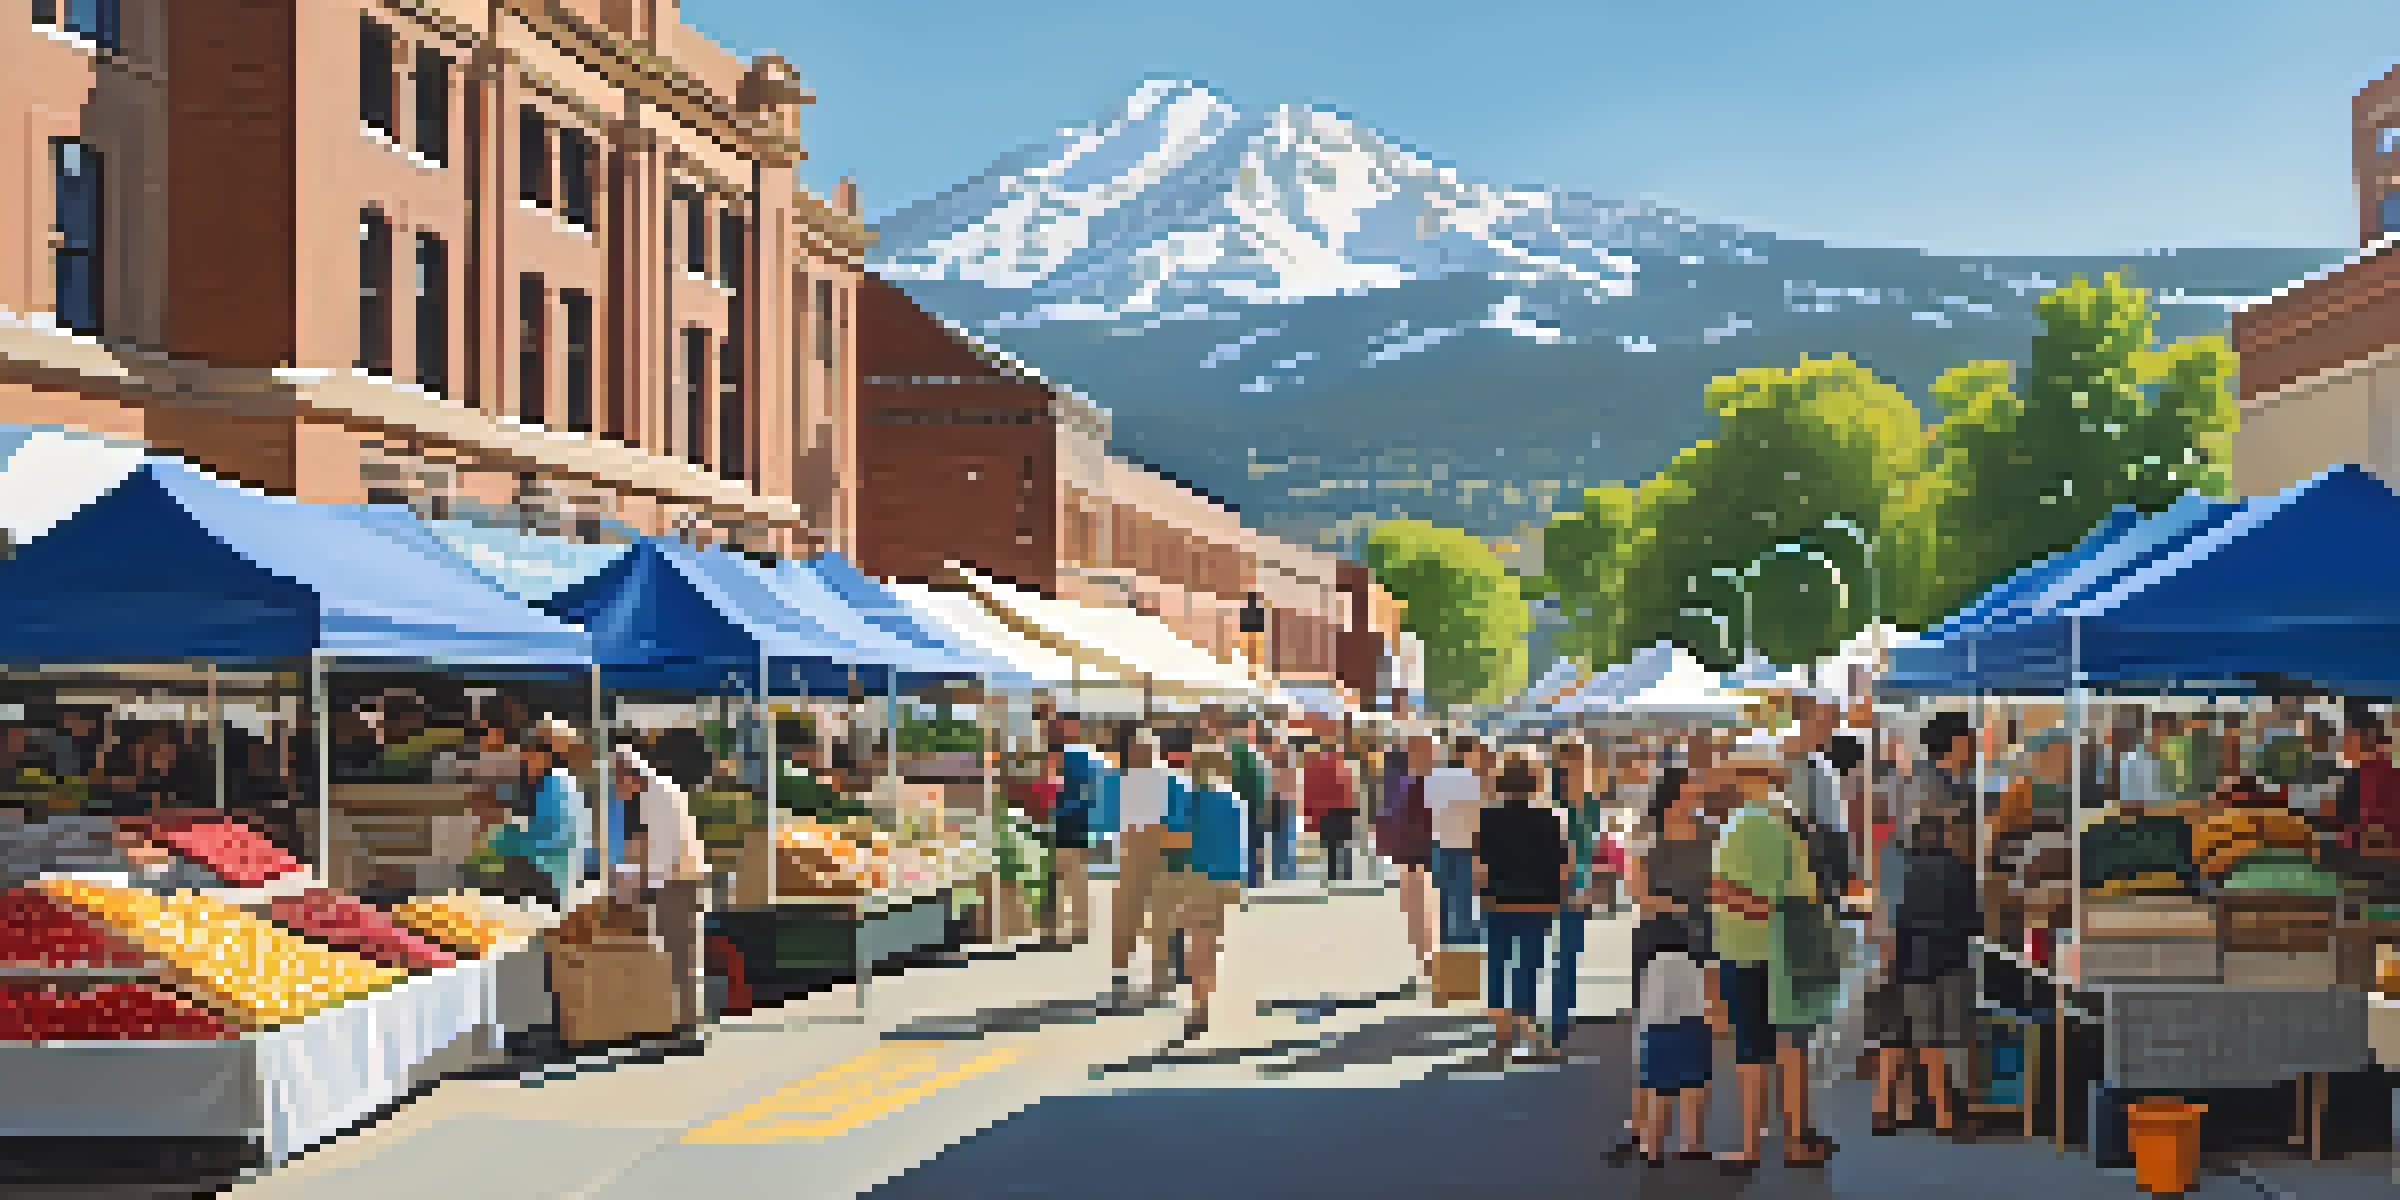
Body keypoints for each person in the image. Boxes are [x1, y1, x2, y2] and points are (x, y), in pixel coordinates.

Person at [1711, 756, 1835, 1171]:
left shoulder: (1746, 823)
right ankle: (1797, 1138)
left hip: (1750, 949)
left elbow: (1739, 896)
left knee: (1751, 1051)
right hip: (1792, 947)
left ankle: (1750, 1144)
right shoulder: (1789, 821)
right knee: (1792, 1046)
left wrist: (1719, 894)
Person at [1870, 709, 1978, 1137]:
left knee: (1907, 1009)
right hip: (1928, 908)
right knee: (1926, 1009)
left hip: (1916, 907)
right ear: (1953, 743)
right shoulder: (1933, 785)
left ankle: (1892, 1106)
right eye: (1969, 737)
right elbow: (1951, 841)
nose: (1974, 744)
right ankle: (1942, 1110)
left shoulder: (1918, 781)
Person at [1882, 811, 1979, 1139]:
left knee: (1919, 1038)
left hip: (1910, 963)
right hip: (1951, 961)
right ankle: (1953, 1110)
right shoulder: (1961, 871)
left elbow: (1896, 919)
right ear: (1943, 837)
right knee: (1950, 1039)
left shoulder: (1901, 872)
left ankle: (1920, 1112)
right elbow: (1974, 921)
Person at [1475, 758, 1568, 1061]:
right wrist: (1557, 901)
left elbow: (1480, 866)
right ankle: (1525, 1026)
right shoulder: (1549, 820)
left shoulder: (1487, 819)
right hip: (1535, 902)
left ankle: (1501, 1029)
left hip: (1498, 900)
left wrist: (1482, 893)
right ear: (1533, 786)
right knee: (1527, 966)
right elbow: (1558, 867)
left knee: (1497, 964)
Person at [614, 744, 710, 1031]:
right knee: (677, 953)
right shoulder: (652, 791)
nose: (618, 790)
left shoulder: (656, 796)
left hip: (677, 882)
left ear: (628, 774)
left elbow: (664, 853)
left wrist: (640, 887)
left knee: (680, 953)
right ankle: (681, 1021)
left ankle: (688, 1025)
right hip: (675, 880)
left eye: (618, 782)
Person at [1159, 745, 1247, 1040]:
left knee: (1196, 943)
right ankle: (1203, 1001)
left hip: (1196, 876)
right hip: (1226, 879)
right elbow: (1242, 846)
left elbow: (1173, 838)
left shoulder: (1187, 799)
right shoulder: (1235, 800)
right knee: (1210, 943)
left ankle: (1199, 1007)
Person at [1628, 917, 1725, 1167]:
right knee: (1693, 1081)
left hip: (1658, 1017)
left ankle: (1653, 1147)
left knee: (1660, 1084)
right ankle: (1690, 1145)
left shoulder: (1650, 953)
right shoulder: (1698, 945)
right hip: (1691, 1015)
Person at [1112, 730, 1178, 1004]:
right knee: (1129, 912)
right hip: (1136, 846)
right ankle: (1122, 971)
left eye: (1147, 748)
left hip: (1157, 846)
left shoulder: (1166, 778)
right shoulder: (1125, 780)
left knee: (1160, 915)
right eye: (1139, 748)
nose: (1142, 753)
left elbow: (1173, 816)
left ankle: (1160, 976)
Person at [1551, 738, 1602, 1048]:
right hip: (1551, 886)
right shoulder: (1554, 805)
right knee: (1550, 953)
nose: (1577, 770)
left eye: (1582, 764)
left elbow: (1592, 848)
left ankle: (1561, 1017)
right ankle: (1544, 1017)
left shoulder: (1591, 805)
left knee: (1569, 952)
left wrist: (1592, 882)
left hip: (1578, 886)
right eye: (1571, 764)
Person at [1378, 733, 1438, 983]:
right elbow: (1389, 815)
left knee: (1428, 902)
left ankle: (1430, 955)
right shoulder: (1402, 783)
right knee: (1417, 902)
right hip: (1412, 850)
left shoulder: (1420, 782)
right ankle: (1425, 955)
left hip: (1431, 849)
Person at [1425, 737, 1487, 955]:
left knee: (1443, 890)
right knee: (1463, 891)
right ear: (1467, 753)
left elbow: (1427, 810)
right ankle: (1464, 932)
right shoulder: (1471, 780)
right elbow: (1475, 816)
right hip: (1463, 842)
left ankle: (1443, 933)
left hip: (1438, 841)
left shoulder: (1433, 777)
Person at [1305, 737, 1358, 883]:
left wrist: (1309, 813)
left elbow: (1310, 792)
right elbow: (1347, 787)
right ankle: (1345, 874)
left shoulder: (1313, 766)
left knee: (1332, 845)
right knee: (1342, 843)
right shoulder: (1340, 764)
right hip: (1341, 809)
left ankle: (1334, 875)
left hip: (1328, 811)